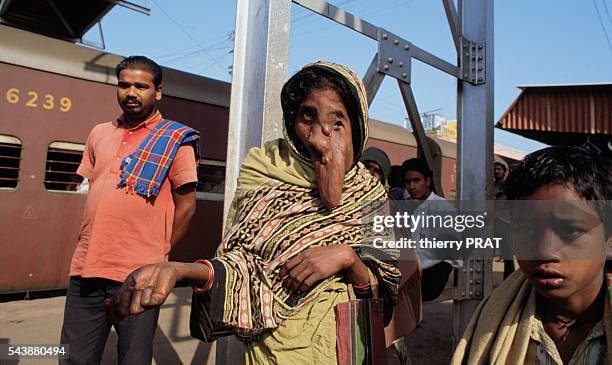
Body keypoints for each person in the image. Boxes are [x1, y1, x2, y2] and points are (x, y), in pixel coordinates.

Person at [109, 61, 401, 364]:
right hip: (276, 350)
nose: (319, 135)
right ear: (291, 121)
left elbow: (383, 290)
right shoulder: (264, 171)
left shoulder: (369, 193)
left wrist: (347, 257)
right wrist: (181, 270)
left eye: (337, 121)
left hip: (347, 345)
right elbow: (243, 265)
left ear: (357, 125)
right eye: (307, 116)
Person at [60, 56, 199, 365]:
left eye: (141, 86)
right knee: (72, 358)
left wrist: (159, 254)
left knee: (133, 359)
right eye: (124, 85)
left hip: (140, 273)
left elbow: (187, 207)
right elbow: (95, 189)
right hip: (87, 266)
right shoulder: (99, 133)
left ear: (158, 92)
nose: (131, 92)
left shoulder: (176, 140)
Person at [452, 146, 612, 364]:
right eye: (526, 229)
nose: (544, 250)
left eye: (570, 230)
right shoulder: (492, 321)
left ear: (608, 239)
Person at [402, 158, 460, 301]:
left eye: (417, 180)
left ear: (427, 181)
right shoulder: (416, 206)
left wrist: (410, 266)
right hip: (422, 266)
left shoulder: (441, 208)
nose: (412, 186)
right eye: (408, 182)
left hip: (436, 271)